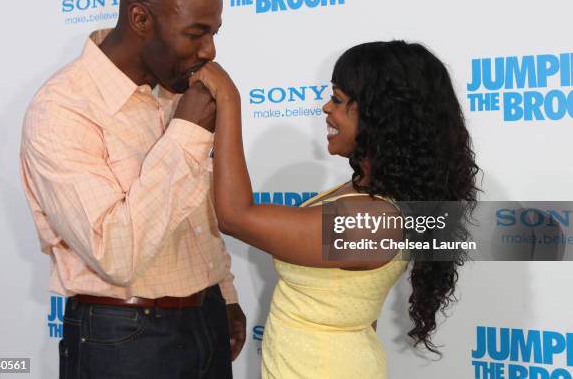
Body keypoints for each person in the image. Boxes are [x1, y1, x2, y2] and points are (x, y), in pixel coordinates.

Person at [192, 41, 480, 378]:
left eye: (339, 100)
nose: (327, 107)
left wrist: (228, 98)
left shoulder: (372, 221)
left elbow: (235, 216)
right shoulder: (366, 194)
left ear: (380, 116)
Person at [19, 0, 245, 379]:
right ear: (140, 20)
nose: (210, 51)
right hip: (123, 336)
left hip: (207, 316)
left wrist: (225, 294)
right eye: (196, 33)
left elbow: (198, 218)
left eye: (214, 32)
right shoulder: (62, 108)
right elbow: (115, 254)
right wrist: (186, 135)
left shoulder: (178, 89)